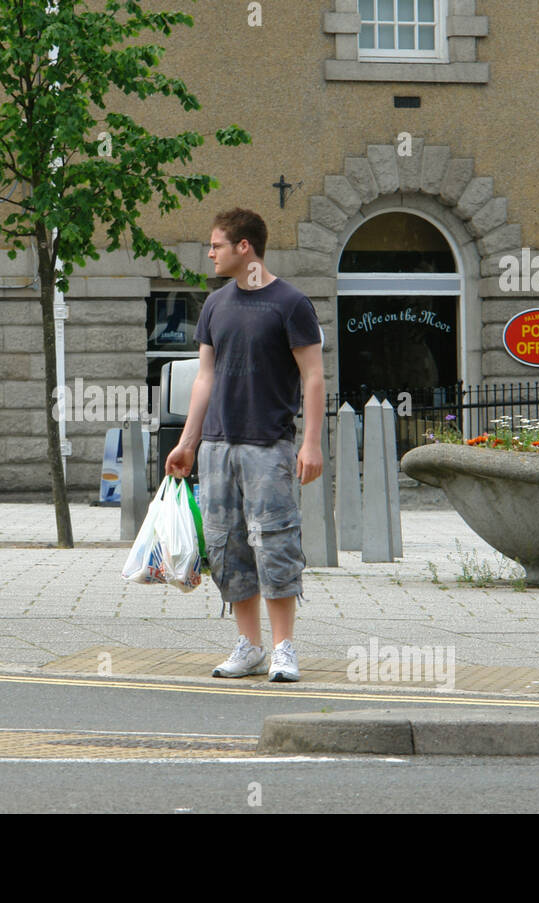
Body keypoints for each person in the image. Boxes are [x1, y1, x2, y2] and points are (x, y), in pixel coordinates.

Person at [164, 208, 325, 682]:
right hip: (216, 446)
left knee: (273, 543)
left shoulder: (291, 303)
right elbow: (204, 378)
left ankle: (284, 649)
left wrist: (311, 443)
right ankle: (249, 647)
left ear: (244, 247)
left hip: (268, 444)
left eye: (216, 245)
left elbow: (313, 376)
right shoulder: (215, 305)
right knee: (227, 546)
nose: (209, 253)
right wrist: (187, 442)